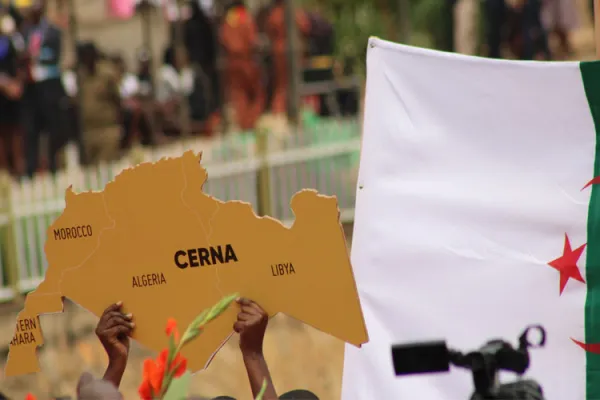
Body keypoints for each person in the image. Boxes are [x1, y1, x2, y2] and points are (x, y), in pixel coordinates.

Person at [20, 0, 70, 177]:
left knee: (53, 128)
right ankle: (31, 169)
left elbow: (54, 57)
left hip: (48, 85)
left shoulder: (52, 32)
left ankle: (53, 165)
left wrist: (36, 58)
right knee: (31, 129)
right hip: (31, 88)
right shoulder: (24, 32)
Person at [220, 0, 265, 130]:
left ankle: (243, 124)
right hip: (246, 60)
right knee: (256, 93)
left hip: (232, 62)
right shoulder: (244, 16)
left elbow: (223, 38)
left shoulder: (230, 18)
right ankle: (251, 123)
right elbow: (252, 40)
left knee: (238, 94)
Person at [77, 41, 122, 165]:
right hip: (88, 132)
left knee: (107, 171)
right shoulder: (80, 76)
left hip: (107, 130)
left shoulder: (107, 74)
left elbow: (117, 99)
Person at [265, 0, 310, 115]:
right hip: (293, 52)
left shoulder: (274, 14)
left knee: (281, 86)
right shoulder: (294, 12)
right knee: (294, 83)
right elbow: (305, 27)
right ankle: (293, 112)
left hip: (279, 51)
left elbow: (269, 31)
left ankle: (280, 113)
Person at [0, 2, 24, 176]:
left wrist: (16, 82)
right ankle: (4, 171)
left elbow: (20, 61)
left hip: (13, 93)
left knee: (15, 131)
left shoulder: (12, 39)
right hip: (2, 90)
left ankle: (17, 169)